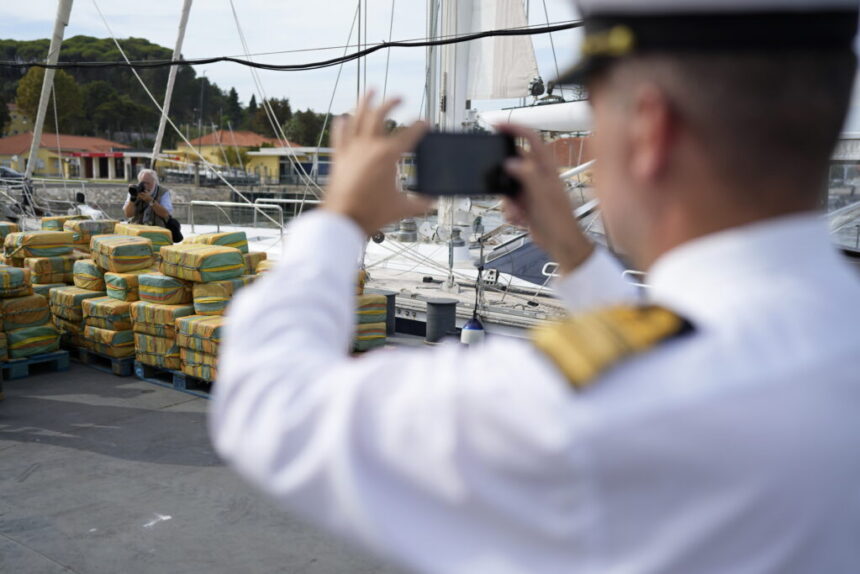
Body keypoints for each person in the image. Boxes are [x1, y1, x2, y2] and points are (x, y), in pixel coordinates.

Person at [211, 1, 860, 572]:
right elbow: (686, 353)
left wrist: (339, 221)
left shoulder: (582, 409)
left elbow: (272, 405)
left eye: (597, 118)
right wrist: (574, 254)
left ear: (649, 130)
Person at [123, 168, 182, 241]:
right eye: (142, 183)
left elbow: (165, 214)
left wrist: (150, 201)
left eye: (148, 183)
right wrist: (132, 199)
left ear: (155, 182)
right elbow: (128, 214)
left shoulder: (163, 192)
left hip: (158, 233)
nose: (145, 186)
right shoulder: (134, 190)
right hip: (137, 232)